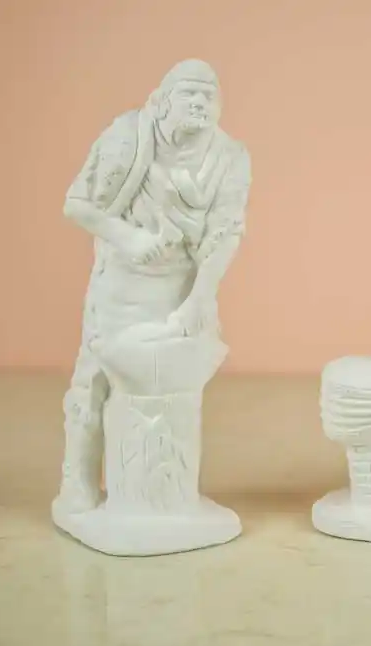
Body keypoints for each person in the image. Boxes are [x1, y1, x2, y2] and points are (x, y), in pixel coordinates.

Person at [53, 59, 251, 514]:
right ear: (162, 102)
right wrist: (128, 238)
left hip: (184, 287)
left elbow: (226, 231)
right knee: (94, 382)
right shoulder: (129, 136)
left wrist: (200, 298)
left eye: (209, 95)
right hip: (123, 285)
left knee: (175, 389)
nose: (200, 102)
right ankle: (78, 480)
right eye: (189, 93)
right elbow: (77, 203)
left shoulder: (230, 157)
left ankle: (163, 493)